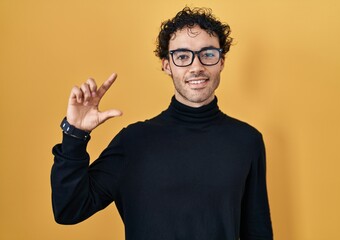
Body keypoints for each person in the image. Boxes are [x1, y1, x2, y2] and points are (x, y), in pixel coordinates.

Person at [51, 6, 273, 240]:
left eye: (208, 54)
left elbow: (257, 231)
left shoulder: (247, 140)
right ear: (167, 65)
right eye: (183, 56)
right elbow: (69, 209)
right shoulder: (134, 142)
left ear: (221, 62)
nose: (196, 67)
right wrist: (74, 135)